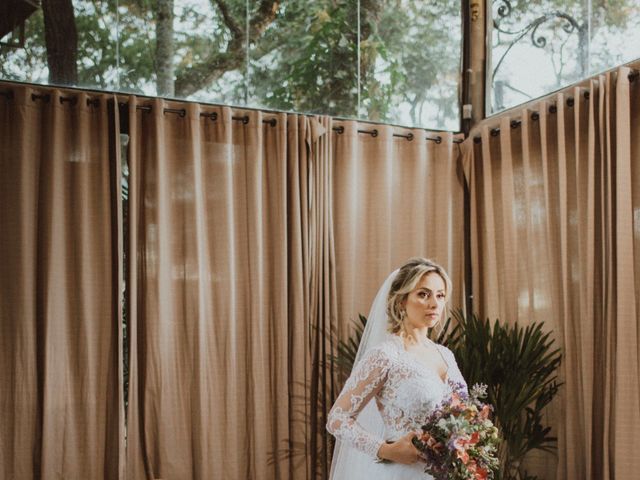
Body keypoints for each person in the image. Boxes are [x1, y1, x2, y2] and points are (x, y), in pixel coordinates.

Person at [327, 257, 467, 479]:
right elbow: (337, 419)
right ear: (401, 301)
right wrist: (387, 450)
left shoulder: (446, 355)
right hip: (406, 473)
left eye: (440, 295)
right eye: (423, 294)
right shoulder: (386, 356)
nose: (434, 303)